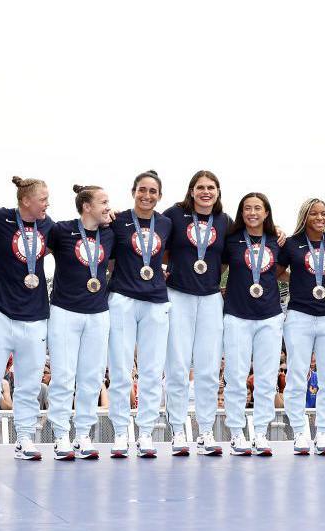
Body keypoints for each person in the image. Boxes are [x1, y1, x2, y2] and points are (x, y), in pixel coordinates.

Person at [0, 176, 53, 462]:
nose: (47, 204)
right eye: (43, 199)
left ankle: (26, 436)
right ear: (26, 200)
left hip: (36, 312)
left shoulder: (48, 225)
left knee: (29, 382)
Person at [162, 171, 231, 456]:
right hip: (178, 294)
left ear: (217, 191)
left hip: (211, 297)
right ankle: (177, 430)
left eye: (211, 187)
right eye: (200, 187)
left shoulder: (225, 221)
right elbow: (157, 245)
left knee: (208, 368)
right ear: (191, 191)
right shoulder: (174, 215)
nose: (206, 192)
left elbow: (228, 258)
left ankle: (205, 431)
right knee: (177, 366)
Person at [107, 170, 173, 458]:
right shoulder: (117, 220)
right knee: (121, 369)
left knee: (151, 370)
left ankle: (145, 432)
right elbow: (108, 258)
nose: (147, 196)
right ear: (133, 191)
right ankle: (121, 432)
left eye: (153, 191)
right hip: (122, 297)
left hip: (156, 300)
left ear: (160, 195)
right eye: (142, 190)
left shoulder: (167, 223)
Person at [46, 184, 115, 460]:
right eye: (104, 202)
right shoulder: (61, 230)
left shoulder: (110, 232)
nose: (108, 207)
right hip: (65, 311)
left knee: (92, 376)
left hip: (98, 312)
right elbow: (34, 249)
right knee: (63, 376)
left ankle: (83, 434)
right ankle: (61, 434)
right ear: (87, 206)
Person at [279, 198, 325, 456]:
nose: (320, 218)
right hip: (299, 315)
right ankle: (300, 432)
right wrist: (298, 279)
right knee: (296, 376)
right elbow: (277, 271)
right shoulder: (292, 243)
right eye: (314, 214)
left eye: (324, 214)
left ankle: (323, 432)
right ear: (305, 216)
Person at [221, 193, 284, 456]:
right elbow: (218, 266)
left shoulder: (278, 240)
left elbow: (280, 270)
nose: (253, 212)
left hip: (269, 315)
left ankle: (260, 432)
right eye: (247, 208)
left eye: (258, 208)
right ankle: (236, 432)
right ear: (241, 212)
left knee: (267, 379)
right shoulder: (230, 240)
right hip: (237, 314)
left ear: (267, 212)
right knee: (235, 377)